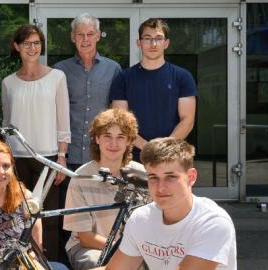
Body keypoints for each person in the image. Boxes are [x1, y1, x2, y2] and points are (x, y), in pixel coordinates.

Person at [105, 137, 236, 270]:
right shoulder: (140, 218)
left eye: (171, 177)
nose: (161, 188)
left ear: (191, 177)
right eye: (153, 177)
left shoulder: (212, 222)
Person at [1, 24, 71, 264]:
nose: (33, 48)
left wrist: (62, 156)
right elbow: (7, 124)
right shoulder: (8, 83)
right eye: (28, 43)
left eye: (37, 43)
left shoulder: (57, 77)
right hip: (17, 159)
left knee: (48, 219)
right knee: (18, 215)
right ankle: (21, 263)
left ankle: (46, 264)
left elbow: (64, 118)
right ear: (17, 47)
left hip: (49, 158)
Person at [63, 108, 144, 270]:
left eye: (120, 137)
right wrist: (123, 252)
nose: (113, 144)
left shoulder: (143, 175)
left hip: (134, 250)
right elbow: (85, 237)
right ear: (97, 139)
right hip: (88, 248)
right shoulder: (81, 178)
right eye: (107, 136)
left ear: (129, 141)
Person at [109, 18, 197, 158]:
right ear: (139, 43)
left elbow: (187, 120)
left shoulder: (182, 77)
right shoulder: (123, 78)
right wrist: (148, 148)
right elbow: (121, 122)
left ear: (166, 43)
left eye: (158, 38)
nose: (153, 43)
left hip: (172, 155)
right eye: (147, 38)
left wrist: (165, 148)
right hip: (133, 156)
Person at [53, 12, 122, 174]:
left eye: (90, 34)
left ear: (98, 36)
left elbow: (118, 114)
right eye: (80, 34)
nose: (85, 39)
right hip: (67, 156)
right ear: (72, 37)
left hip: (101, 155)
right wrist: (60, 154)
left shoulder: (113, 69)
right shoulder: (59, 70)